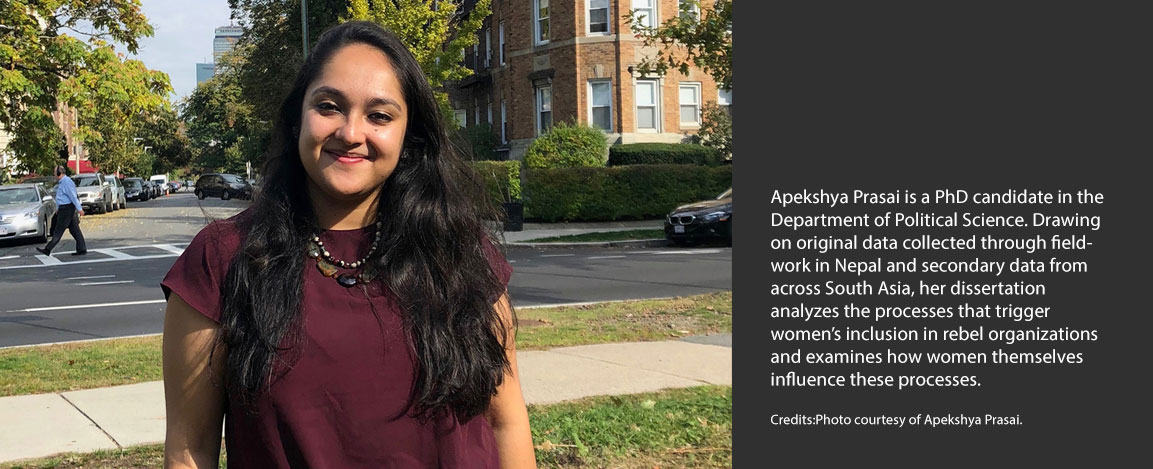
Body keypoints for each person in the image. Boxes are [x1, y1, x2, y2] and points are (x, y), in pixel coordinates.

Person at [160, 21, 536, 468]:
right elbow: (190, 449)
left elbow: (505, 424)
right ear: (298, 117)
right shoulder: (222, 261)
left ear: (407, 134)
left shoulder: (459, 253)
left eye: (379, 115)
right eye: (329, 106)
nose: (351, 132)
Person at [36, 165, 87, 256]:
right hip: (65, 208)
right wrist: (58, 208)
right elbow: (62, 197)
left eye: (55, 172)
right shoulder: (62, 182)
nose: (54, 174)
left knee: (58, 231)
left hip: (66, 209)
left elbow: (73, 196)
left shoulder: (66, 182)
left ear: (59, 173)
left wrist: (80, 209)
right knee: (74, 229)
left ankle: (48, 249)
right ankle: (82, 249)